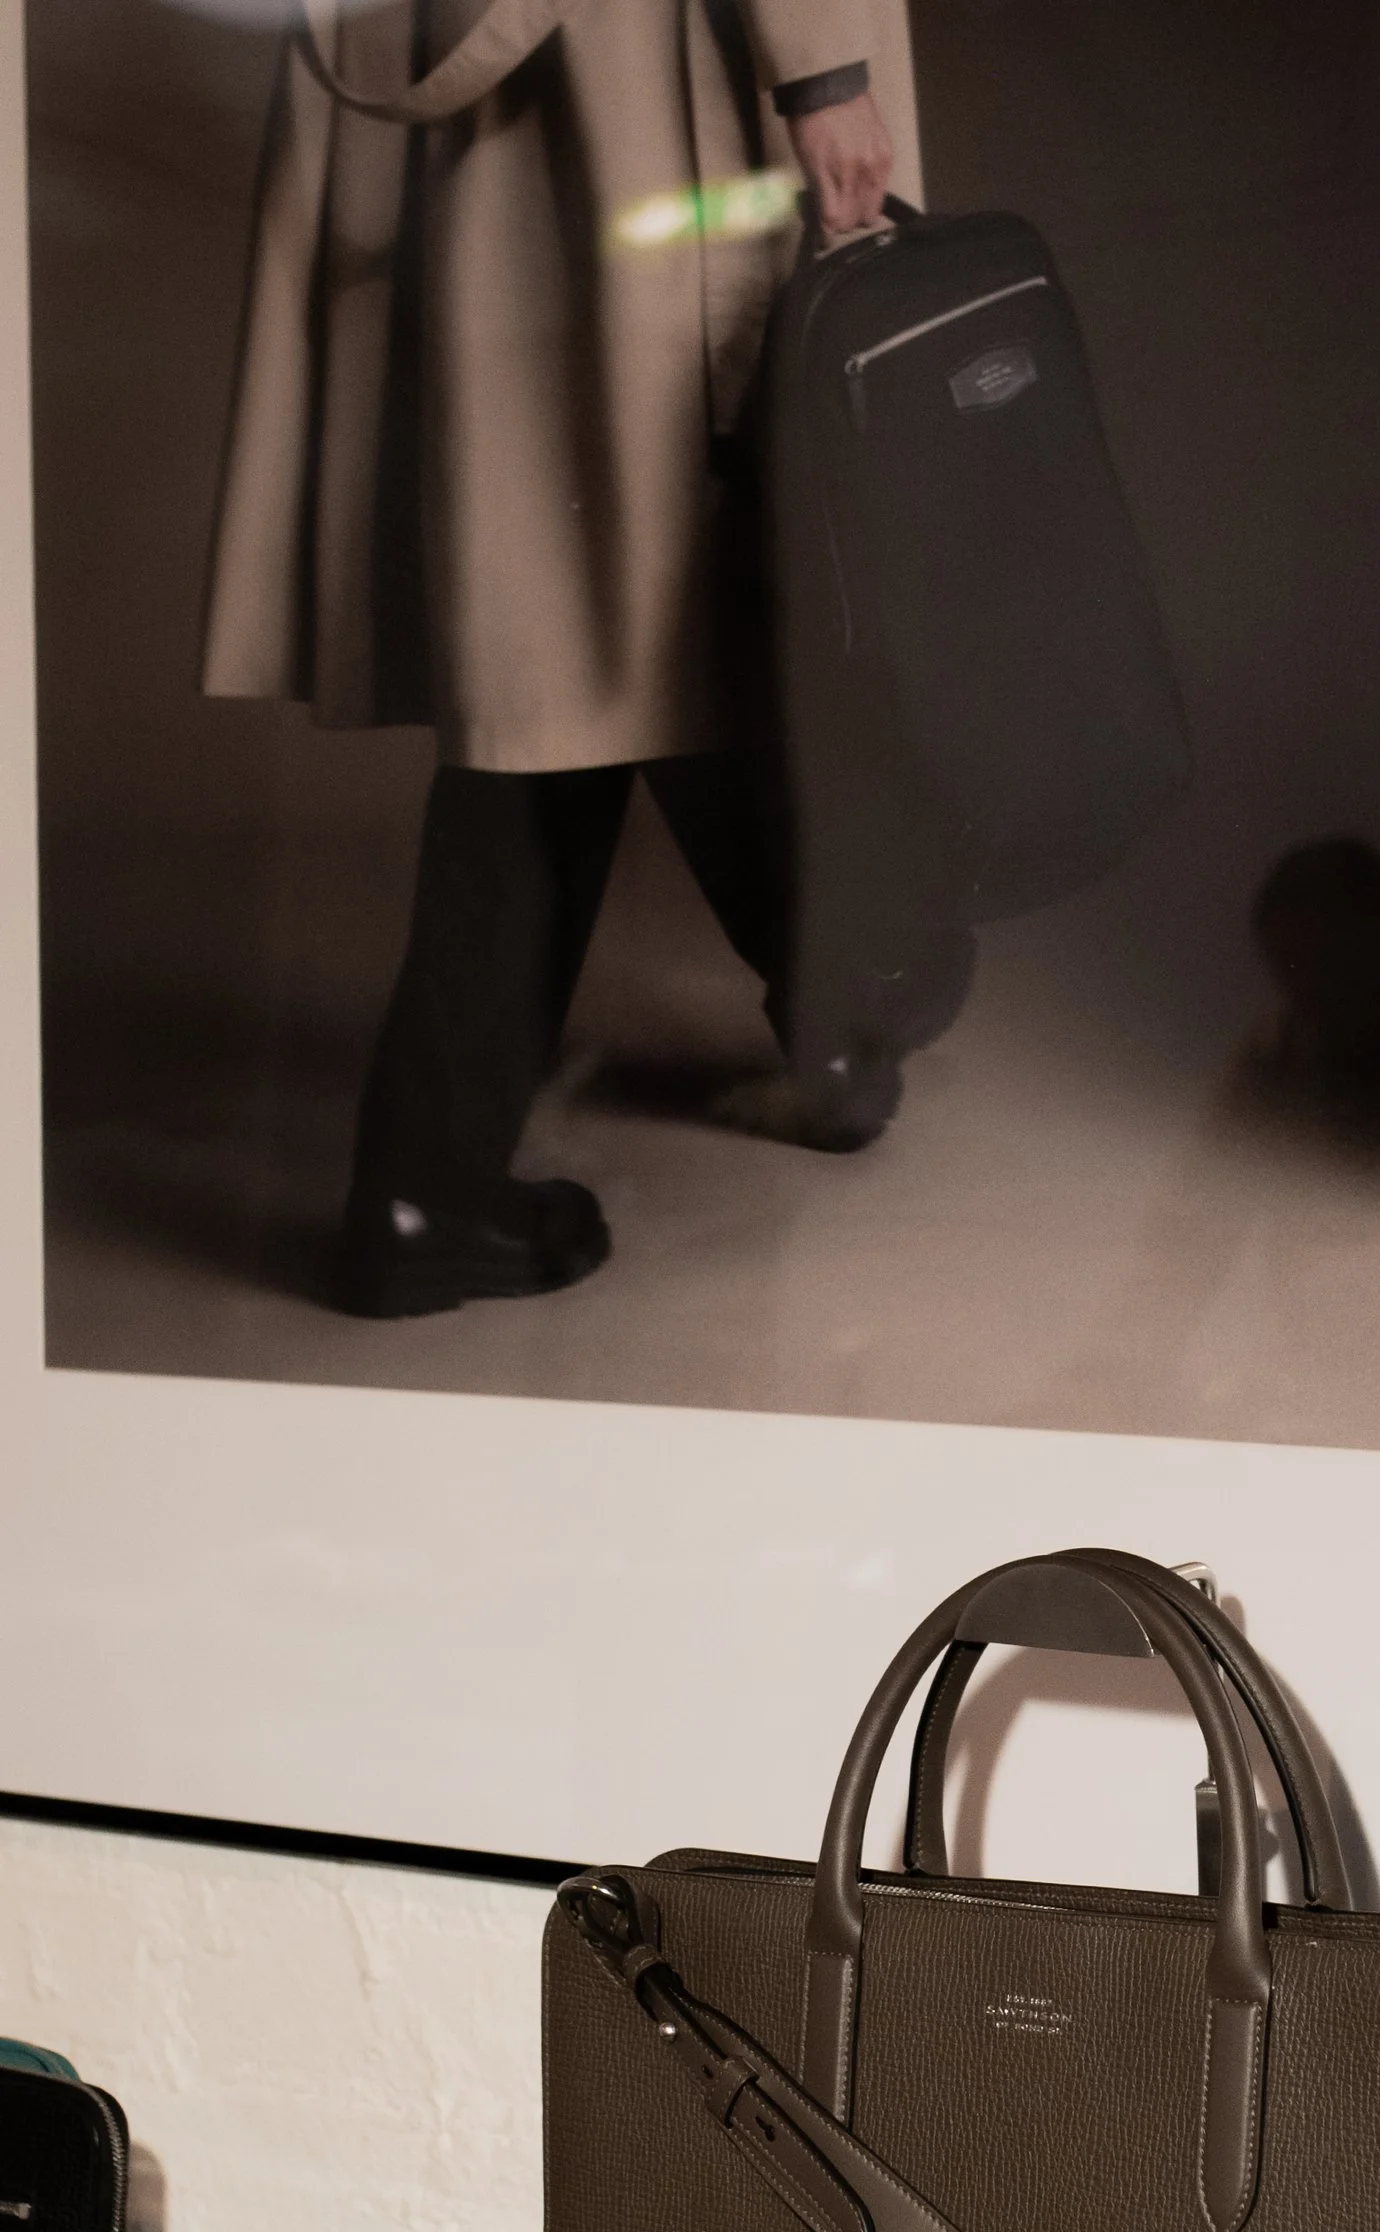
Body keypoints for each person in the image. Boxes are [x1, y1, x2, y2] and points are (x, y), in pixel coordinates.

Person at [202, 0, 926, 1319]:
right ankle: (431, 1185)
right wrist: (820, 68)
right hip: (636, 90)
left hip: (465, 79)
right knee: (652, 611)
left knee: (584, 619)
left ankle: (838, 1021)